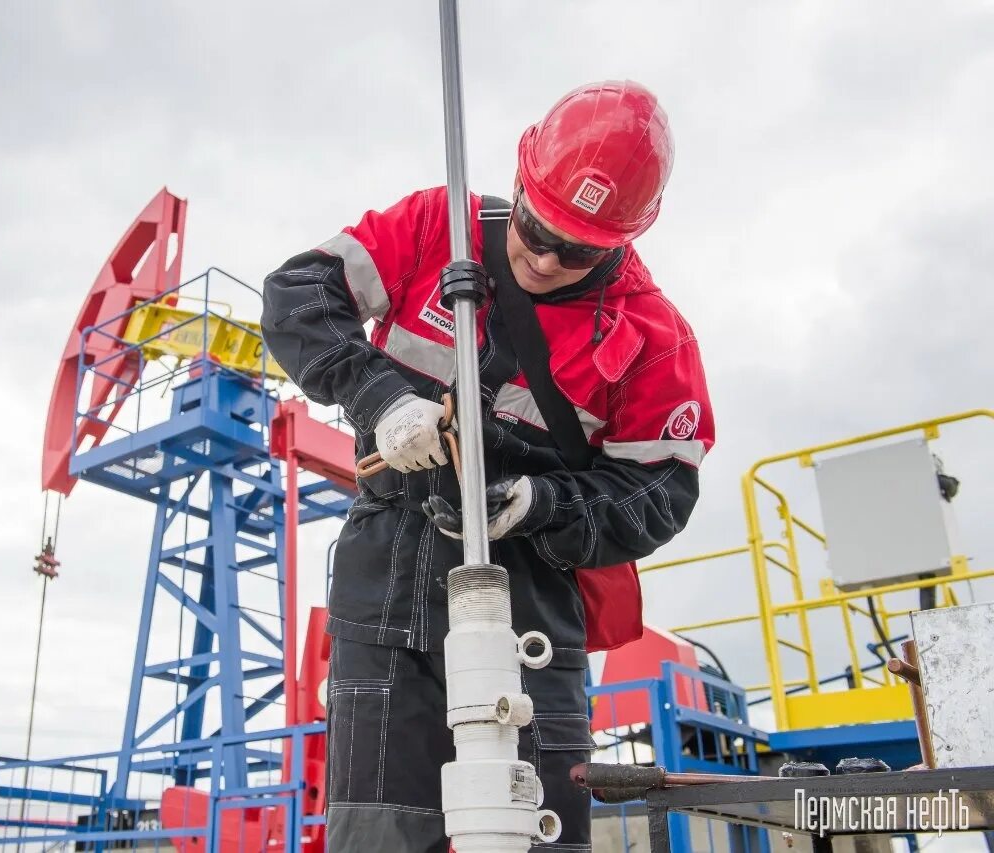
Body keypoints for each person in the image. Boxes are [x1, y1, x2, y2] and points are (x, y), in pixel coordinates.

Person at [261, 80, 714, 853]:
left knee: (537, 834)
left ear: (623, 242)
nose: (540, 257)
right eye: (535, 228)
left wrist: (543, 504)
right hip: (388, 587)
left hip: (532, 607)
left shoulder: (652, 339)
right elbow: (297, 296)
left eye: (573, 250)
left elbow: (659, 493)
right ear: (519, 181)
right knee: (380, 836)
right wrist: (379, 396)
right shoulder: (439, 227)